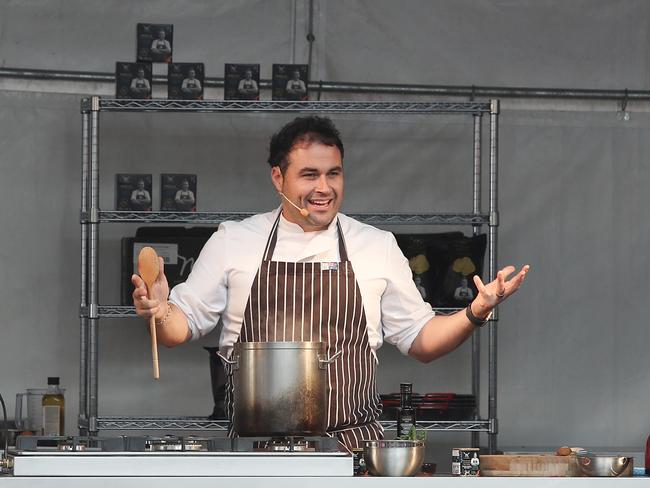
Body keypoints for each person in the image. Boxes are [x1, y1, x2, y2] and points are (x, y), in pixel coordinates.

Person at [132, 116, 529, 449]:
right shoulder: (234, 241)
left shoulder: (375, 246)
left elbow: (421, 340)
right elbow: (178, 328)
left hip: (354, 452)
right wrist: (160, 310)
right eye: (309, 175)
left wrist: (476, 311)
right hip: (258, 457)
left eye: (333, 174)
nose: (324, 188)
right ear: (277, 177)